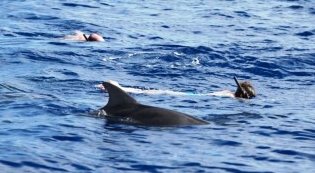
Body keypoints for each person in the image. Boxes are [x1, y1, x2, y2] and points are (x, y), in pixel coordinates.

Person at [97, 77, 257, 99]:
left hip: (192, 94)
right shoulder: (230, 96)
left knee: (147, 92)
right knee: (146, 92)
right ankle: (114, 87)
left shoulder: (229, 93)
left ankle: (116, 87)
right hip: (189, 96)